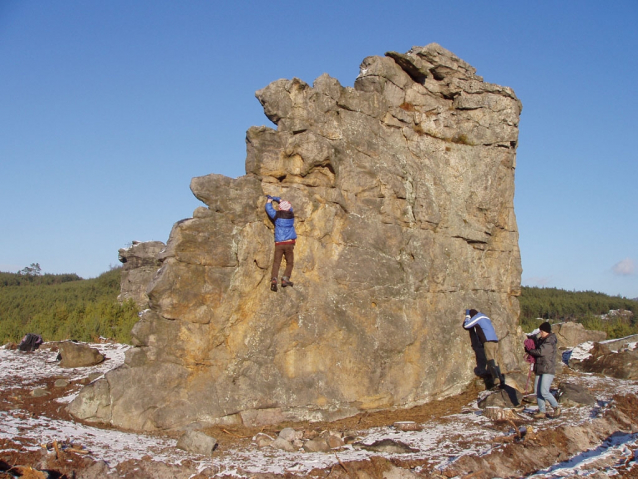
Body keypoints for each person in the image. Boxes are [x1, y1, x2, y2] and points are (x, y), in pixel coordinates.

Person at [525, 321, 561, 419]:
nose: (540, 333)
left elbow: (541, 351)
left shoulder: (550, 341)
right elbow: (538, 346)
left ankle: (556, 407)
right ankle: (542, 411)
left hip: (547, 369)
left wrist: (530, 351)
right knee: (538, 391)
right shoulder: (543, 340)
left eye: (541, 331)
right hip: (540, 368)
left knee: (544, 391)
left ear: (546, 331)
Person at [463, 309, 505, 389]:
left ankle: (496, 380)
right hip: (495, 341)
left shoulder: (478, 317)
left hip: (488, 341)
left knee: (490, 360)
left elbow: (467, 325)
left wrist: (467, 316)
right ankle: (501, 380)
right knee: (495, 361)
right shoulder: (486, 317)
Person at [265, 195, 297, 292]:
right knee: (290, 262)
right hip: (289, 243)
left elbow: (268, 208)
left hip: (279, 243)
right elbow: (289, 207)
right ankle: (285, 278)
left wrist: (269, 200)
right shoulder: (291, 215)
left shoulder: (276, 216)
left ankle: (274, 279)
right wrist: (279, 200)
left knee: (276, 263)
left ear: (279, 208)